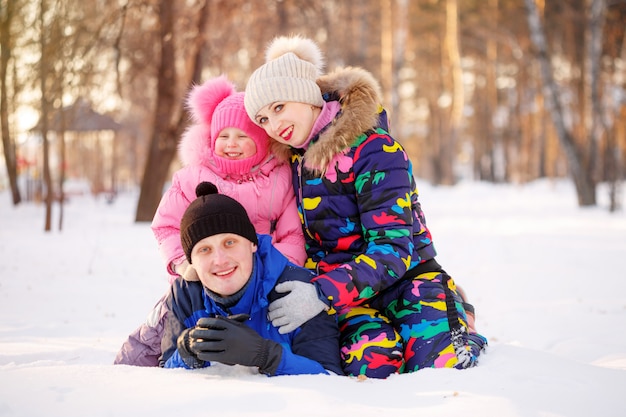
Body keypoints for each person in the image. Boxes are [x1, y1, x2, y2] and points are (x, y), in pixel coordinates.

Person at [244, 35, 487, 378]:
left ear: (306, 94)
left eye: (278, 106)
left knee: (443, 367)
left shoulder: (375, 150)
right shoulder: (293, 162)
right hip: (348, 298)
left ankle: (456, 313)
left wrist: (321, 293)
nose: (274, 125)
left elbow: (393, 248)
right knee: (373, 370)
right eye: (263, 119)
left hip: (407, 279)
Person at [114, 75, 305, 366]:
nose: (232, 144)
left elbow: (293, 235)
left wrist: (268, 269)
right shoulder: (193, 176)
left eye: (243, 136)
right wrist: (183, 263)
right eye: (224, 136)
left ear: (262, 140)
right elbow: (166, 225)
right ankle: (133, 368)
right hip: (201, 274)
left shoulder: (279, 179)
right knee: (162, 321)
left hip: (260, 275)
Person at [159, 181, 342, 376]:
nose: (220, 260)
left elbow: (330, 379)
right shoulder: (185, 295)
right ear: (192, 262)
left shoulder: (299, 289)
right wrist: (186, 354)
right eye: (205, 250)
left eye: (230, 243)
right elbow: (163, 378)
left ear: (253, 244)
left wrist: (266, 356)